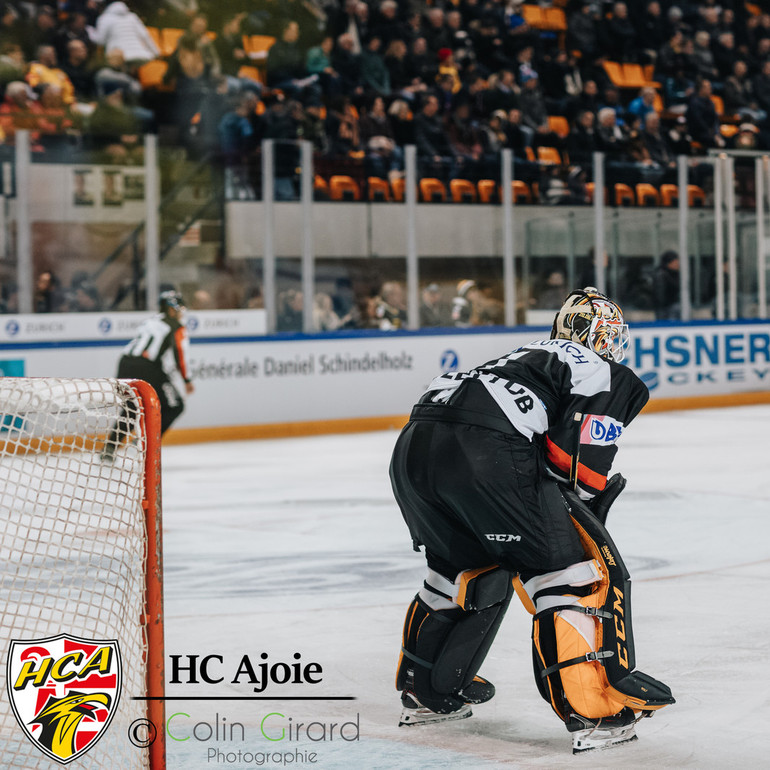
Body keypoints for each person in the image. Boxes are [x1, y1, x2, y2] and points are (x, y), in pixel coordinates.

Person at [389, 287, 674, 752]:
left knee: (461, 570)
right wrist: (585, 503)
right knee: (570, 576)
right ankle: (594, 714)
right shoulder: (599, 368)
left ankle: (427, 693)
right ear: (601, 335)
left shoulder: (521, 356)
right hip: (485, 453)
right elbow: (576, 457)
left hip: (414, 451)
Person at [100, 290, 194, 461]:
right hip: (147, 366)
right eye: (179, 309)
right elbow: (180, 353)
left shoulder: (152, 321)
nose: (181, 313)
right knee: (175, 406)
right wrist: (187, 379)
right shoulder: (176, 326)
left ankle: (110, 447)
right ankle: (145, 441)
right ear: (172, 309)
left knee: (133, 407)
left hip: (125, 363)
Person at [652, 250, 681, 320]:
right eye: (675, 262)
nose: (678, 264)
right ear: (669, 263)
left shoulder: (674, 274)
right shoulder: (661, 275)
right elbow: (660, 295)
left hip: (670, 306)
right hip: (666, 308)